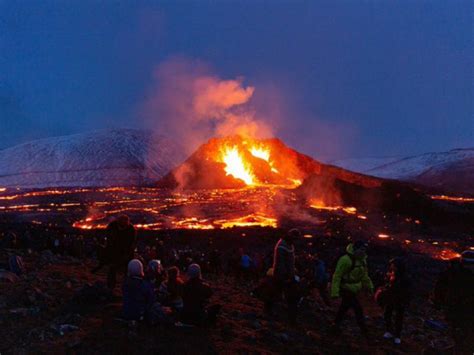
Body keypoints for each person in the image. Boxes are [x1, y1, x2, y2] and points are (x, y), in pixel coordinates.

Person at [433, 250, 474, 354]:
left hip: (463, 308)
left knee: (464, 334)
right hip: (457, 308)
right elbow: (440, 288)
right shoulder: (453, 273)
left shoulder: (452, 272)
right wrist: (438, 301)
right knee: (460, 332)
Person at [331, 240, 374, 337]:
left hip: (354, 288)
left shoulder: (362, 260)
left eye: (364, 249)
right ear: (355, 249)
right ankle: (364, 330)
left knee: (344, 307)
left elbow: (364, 276)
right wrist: (335, 292)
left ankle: (335, 325)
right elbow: (337, 276)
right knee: (357, 308)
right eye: (361, 249)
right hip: (345, 288)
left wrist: (370, 287)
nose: (363, 251)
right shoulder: (345, 260)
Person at [271, 228, 300, 323]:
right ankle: (278, 314)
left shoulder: (288, 244)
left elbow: (290, 262)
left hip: (286, 275)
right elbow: (281, 263)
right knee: (280, 294)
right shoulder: (282, 246)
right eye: (295, 238)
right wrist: (287, 276)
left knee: (281, 294)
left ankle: (283, 314)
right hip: (282, 275)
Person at [380, 257, 411, 345]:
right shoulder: (391, 274)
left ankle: (397, 336)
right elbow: (387, 285)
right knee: (387, 314)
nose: (391, 266)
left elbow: (408, 291)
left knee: (398, 318)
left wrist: (406, 301)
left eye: (393, 265)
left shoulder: (405, 278)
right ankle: (389, 331)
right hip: (390, 299)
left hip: (400, 300)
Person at [104, 215, 137, 290]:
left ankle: (127, 287)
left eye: (124, 227)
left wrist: (127, 255)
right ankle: (110, 287)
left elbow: (131, 244)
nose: (122, 228)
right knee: (112, 269)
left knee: (127, 271)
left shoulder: (131, 229)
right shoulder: (112, 227)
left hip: (126, 252)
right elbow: (109, 240)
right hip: (113, 251)